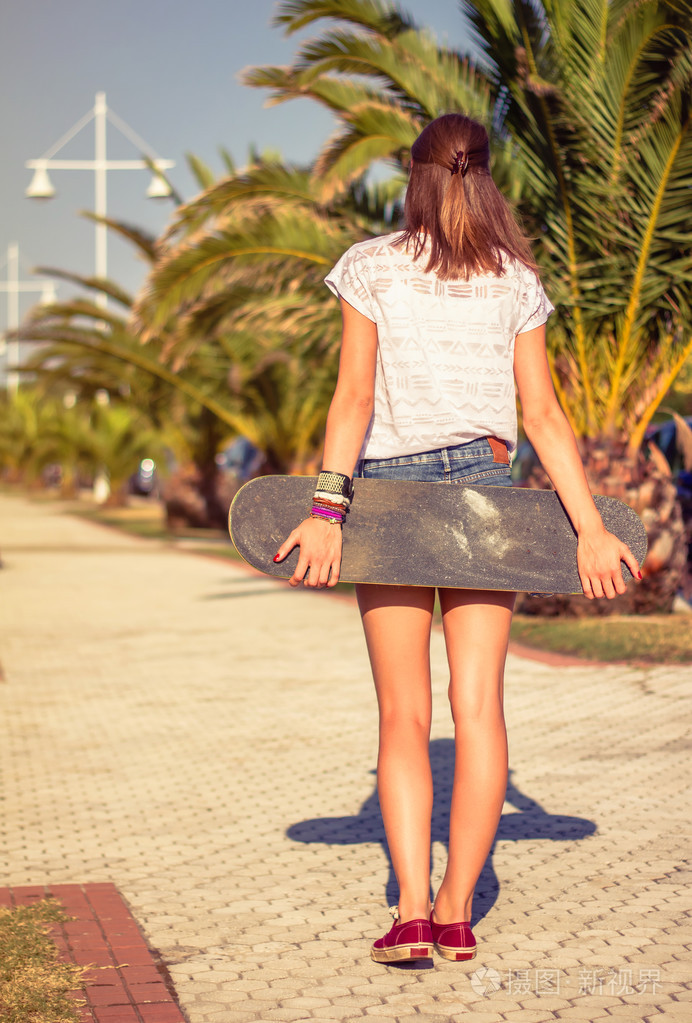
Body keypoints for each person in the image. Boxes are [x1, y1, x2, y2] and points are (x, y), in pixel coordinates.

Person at [273, 114, 641, 965]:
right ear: (486, 175)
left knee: (404, 712)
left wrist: (328, 512)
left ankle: (408, 914)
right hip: (486, 488)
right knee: (479, 710)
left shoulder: (370, 265)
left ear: (417, 174)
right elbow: (543, 414)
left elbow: (353, 399)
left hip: (392, 494)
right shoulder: (517, 278)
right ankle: (456, 911)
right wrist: (588, 526)